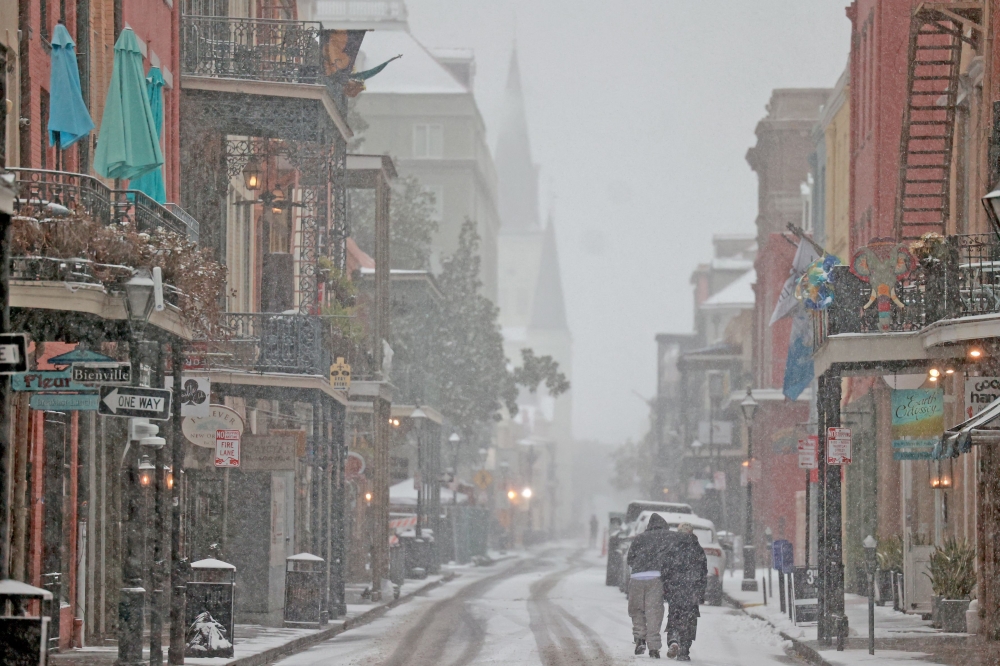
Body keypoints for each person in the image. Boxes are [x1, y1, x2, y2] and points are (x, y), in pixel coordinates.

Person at [626, 513, 672, 658]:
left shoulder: (639, 538)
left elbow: (630, 558)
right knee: (654, 612)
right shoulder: (666, 538)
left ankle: (640, 639)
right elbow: (670, 559)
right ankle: (654, 647)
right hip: (655, 578)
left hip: (637, 578)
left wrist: (639, 567)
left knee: (637, 609)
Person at [663, 522, 707, 661]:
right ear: (691, 532)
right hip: (692, 591)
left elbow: (665, 568)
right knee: (689, 621)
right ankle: (684, 650)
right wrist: (701, 592)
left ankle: (673, 640)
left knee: (674, 616)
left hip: (675, 589)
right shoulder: (697, 548)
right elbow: (703, 572)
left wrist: (666, 587)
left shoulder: (672, 546)